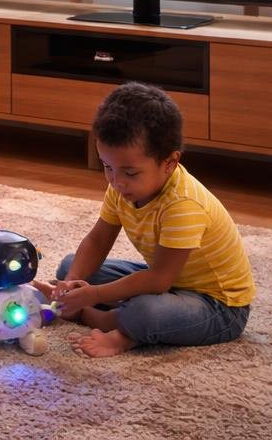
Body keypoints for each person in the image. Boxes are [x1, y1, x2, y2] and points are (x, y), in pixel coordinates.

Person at [36, 82, 255, 358]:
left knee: (145, 311)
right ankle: (92, 307)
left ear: (169, 163)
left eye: (130, 172)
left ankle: (110, 327)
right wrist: (72, 283)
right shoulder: (122, 186)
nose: (116, 181)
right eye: (107, 167)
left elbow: (159, 280)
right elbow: (98, 239)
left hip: (218, 306)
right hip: (170, 279)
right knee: (70, 265)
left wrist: (93, 296)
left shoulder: (183, 204)